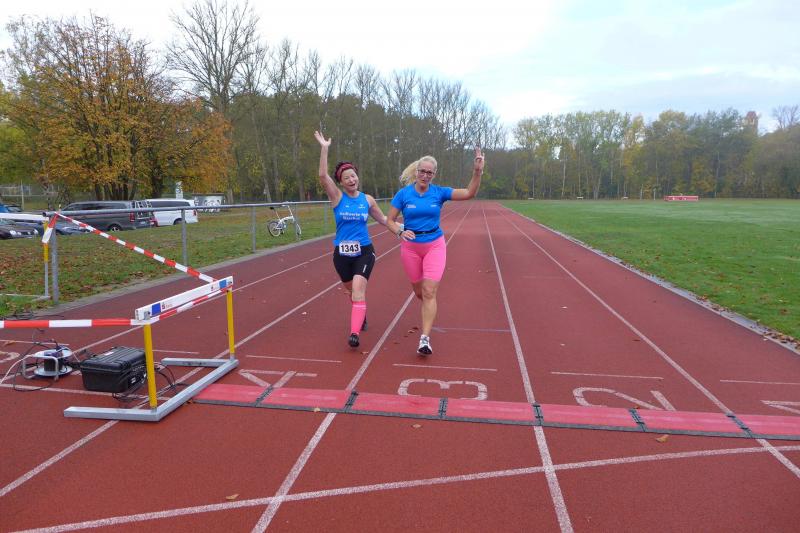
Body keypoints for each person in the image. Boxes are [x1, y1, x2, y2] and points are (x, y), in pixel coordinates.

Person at [386, 147, 485, 355]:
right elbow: (390, 220)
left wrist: (477, 171)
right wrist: (399, 232)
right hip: (411, 248)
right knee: (419, 292)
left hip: (434, 245)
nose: (425, 175)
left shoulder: (439, 192)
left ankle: (424, 339)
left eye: (429, 173)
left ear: (434, 174)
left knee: (429, 291)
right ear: (417, 171)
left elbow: (469, 193)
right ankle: (428, 307)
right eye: (422, 171)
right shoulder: (404, 194)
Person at [315, 130, 388, 348]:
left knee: (358, 290)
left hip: (364, 251)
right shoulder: (337, 197)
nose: (351, 179)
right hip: (342, 255)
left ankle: (354, 333)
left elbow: (384, 219)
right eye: (346, 177)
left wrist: (403, 230)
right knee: (352, 292)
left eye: (353, 176)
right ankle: (360, 312)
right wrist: (324, 149)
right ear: (341, 182)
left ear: (357, 177)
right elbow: (322, 176)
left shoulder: (367, 200)